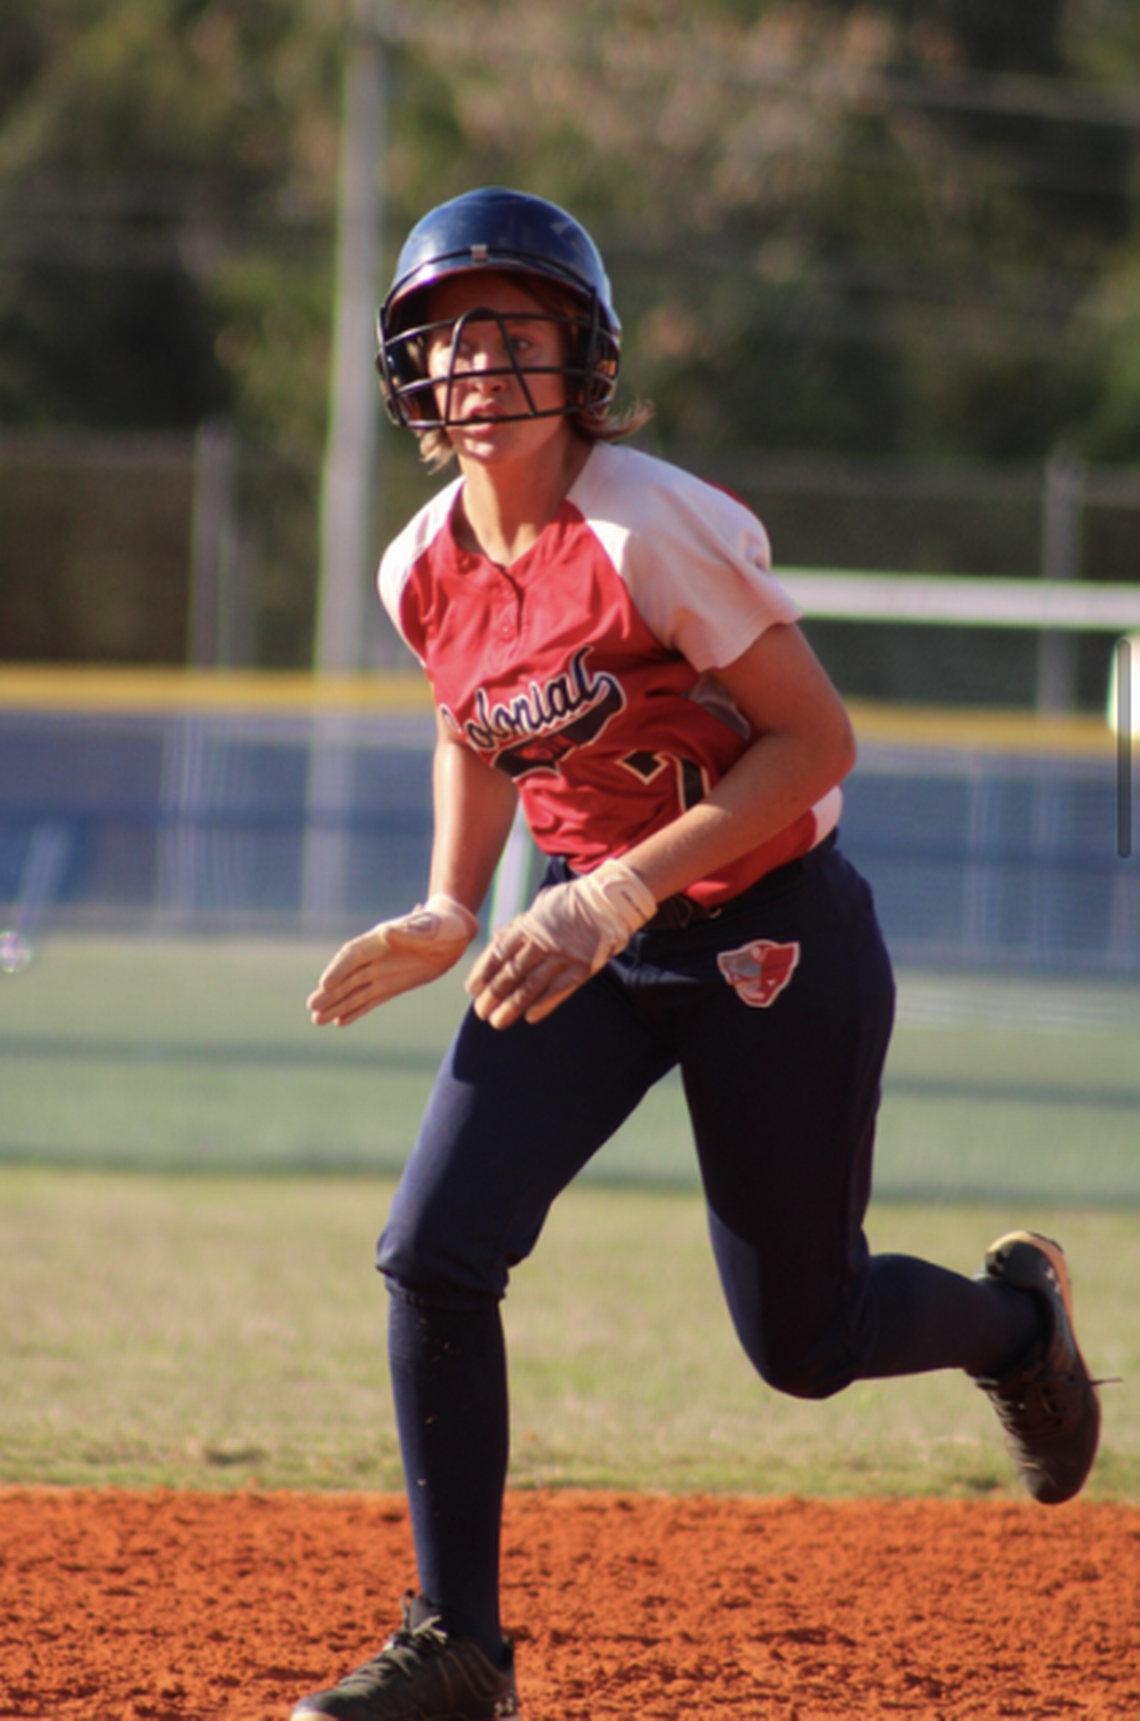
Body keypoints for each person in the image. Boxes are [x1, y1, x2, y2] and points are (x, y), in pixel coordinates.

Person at [295, 187, 1101, 1721]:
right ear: (410, 375)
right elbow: (476, 718)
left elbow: (813, 742)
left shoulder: (647, 525)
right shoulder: (420, 562)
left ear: (583, 358)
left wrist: (612, 896)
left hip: (768, 934)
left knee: (807, 1340)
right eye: (450, 337)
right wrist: (456, 902)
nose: (480, 365)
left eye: (514, 331)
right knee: (433, 1251)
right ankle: (459, 1643)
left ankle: (1019, 1324)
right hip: (583, 931)